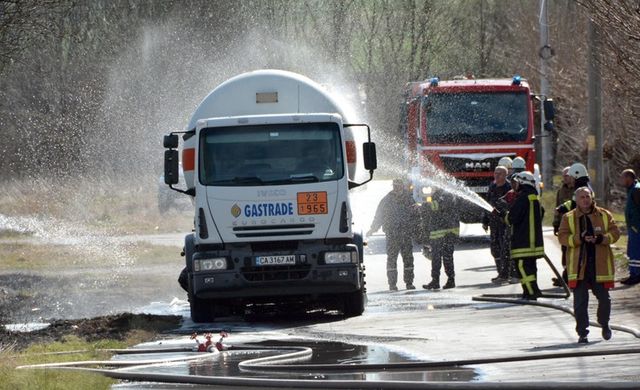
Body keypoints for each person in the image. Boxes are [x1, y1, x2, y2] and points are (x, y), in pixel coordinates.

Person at [558, 186, 620, 343]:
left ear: (592, 198)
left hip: (599, 266)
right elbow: (563, 237)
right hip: (579, 268)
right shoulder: (568, 217)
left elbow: (615, 233)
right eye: (582, 197)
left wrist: (600, 239)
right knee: (580, 302)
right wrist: (579, 238)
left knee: (604, 299)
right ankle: (582, 333)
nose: (585, 200)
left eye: (587, 196)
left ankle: (604, 324)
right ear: (576, 200)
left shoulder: (604, 215)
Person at [497, 171, 545, 299]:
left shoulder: (523, 198)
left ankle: (530, 293)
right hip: (534, 243)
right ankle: (534, 290)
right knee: (531, 269)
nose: (515, 185)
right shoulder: (534, 198)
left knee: (522, 268)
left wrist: (502, 214)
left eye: (517, 182)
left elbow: (511, 218)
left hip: (523, 242)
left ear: (522, 182)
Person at [368, 179, 418, 291]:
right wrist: (373, 229)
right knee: (391, 259)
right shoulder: (386, 200)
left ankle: (409, 283)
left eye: (399, 186)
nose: (397, 188)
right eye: (395, 186)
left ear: (402, 187)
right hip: (392, 235)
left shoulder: (409, 199)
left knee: (408, 260)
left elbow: (416, 217)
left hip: (406, 234)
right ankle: (392, 284)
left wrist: (418, 231)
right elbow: (379, 216)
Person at [421, 188, 460, 290]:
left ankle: (449, 280)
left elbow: (439, 206)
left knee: (445, 257)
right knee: (437, 258)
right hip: (439, 231)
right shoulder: (439, 193)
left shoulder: (447, 194)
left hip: (445, 231)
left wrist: (423, 206)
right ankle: (436, 281)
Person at [482, 166, 512, 284]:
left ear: (505, 175)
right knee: (495, 249)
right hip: (494, 223)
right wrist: (484, 220)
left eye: (500, 173)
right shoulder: (492, 187)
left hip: (505, 223)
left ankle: (507, 274)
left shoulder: (509, 188)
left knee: (505, 249)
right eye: (495, 173)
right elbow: (487, 204)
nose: (497, 175)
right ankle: (500, 272)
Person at [551, 166, 575, 286]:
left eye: (566, 175)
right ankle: (566, 275)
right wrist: (556, 223)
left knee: (574, 252)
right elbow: (557, 208)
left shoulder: (578, 190)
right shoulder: (561, 191)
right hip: (564, 226)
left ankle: (570, 277)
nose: (564, 178)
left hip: (575, 227)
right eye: (563, 176)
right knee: (565, 252)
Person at [619, 169, 640, 285]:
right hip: (633, 227)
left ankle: (636, 275)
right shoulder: (632, 189)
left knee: (635, 252)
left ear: (629, 178)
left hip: (637, 227)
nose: (620, 180)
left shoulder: (637, 190)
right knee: (632, 251)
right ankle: (633, 274)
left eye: (622, 177)